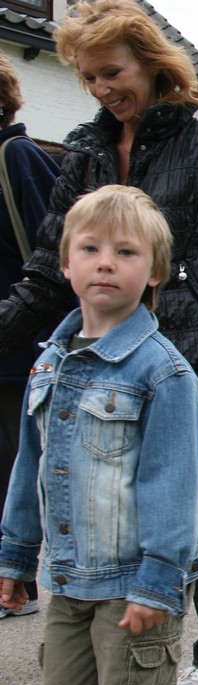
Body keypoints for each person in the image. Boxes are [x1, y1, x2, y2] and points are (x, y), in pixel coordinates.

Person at [0, 3, 198, 685]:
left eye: (112, 72)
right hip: (106, 354)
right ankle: (187, 638)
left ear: (150, 62)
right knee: (136, 501)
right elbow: (48, 268)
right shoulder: (83, 151)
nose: (101, 88)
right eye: (88, 78)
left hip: (192, 351)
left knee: (180, 501)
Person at [0, 185, 198, 685]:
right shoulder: (48, 362)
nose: (106, 263)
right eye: (90, 248)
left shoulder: (164, 373)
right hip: (67, 583)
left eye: (126, 251)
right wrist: (16, 556)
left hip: (134, 587)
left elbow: (175, 485)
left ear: (155, 271)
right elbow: (31, 465)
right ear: (65, 264)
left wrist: (158, 579)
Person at [0, 51, 61, 621]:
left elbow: (56, 252)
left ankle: (19, 582)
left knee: (17, 466)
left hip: (22, 346)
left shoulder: (17, 157)